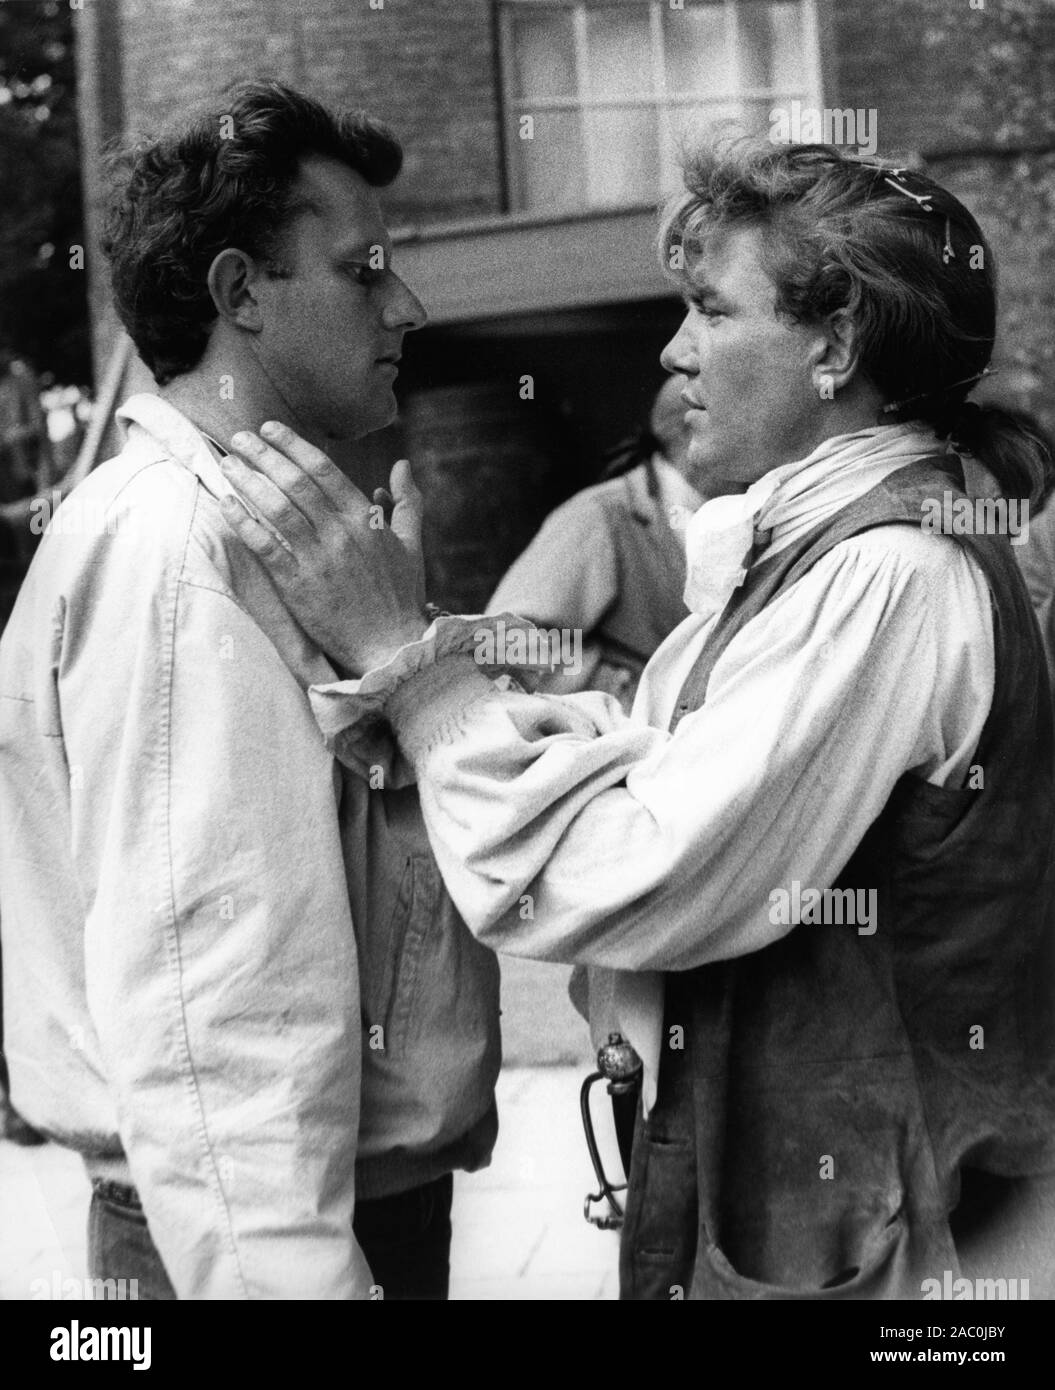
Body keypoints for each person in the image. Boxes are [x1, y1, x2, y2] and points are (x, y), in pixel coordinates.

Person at [219, 142, 1055, 1300]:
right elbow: (673, 775)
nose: (672, 351)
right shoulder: (826, 555)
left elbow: (623, 872)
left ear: (836, 345)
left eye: (710, 309)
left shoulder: (887, 577)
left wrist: (408, 673)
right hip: (813, 1215)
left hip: (879, 1246)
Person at [0, 80, 501, 1300]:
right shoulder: (185, 554)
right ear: (238, 293)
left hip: (302, 1216)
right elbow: (213, 1013)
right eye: (363, 269)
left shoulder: (249, 530)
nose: (406, 304)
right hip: (268, 1237)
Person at [488, 376, 707, 713]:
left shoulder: (744, 512)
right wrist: (616, 687)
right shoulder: (599, 515)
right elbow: (503, 644)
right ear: (692, 432)